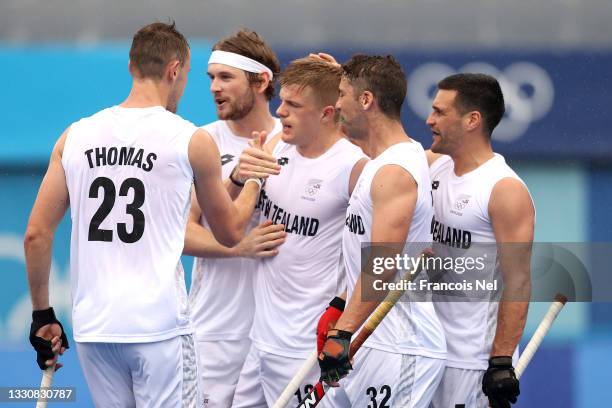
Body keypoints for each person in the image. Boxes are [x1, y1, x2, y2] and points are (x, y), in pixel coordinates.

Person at [24, 22, 263, 408]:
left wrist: (42, 316)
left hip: (94, 329)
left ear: (133, 67)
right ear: (174, 71)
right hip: (159, 328)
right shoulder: (190, 139)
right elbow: (231, 231)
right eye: (186, 76)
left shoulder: (75, 135)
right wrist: (252, 179)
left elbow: (36, 234)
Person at [231, 56, 368, 408]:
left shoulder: (355, 167)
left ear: (326, 113)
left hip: (306, 351)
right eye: (281, 101)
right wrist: (239, 177)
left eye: (293, 105)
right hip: (259, 342)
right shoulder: (276, 144)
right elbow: (226, 220)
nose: (279, 112)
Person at [317, 54, 447, 408]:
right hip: (368, 338)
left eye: (342, 94)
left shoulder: (395, 171)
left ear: (366, 100)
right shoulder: (378, 162)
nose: (335, 104)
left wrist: (342, 331)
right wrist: (341, 309)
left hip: (401, 347)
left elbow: (381, 265)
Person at [183, 29, 285, 408]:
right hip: (217, 330)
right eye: (211, 78)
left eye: (226, 78)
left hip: (282, 334)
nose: (214, 88)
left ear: (261, 81)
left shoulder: (295, 138)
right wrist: (239, 248)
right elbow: (182, 234)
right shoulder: (202, 141)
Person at [425, 73, 535, 408]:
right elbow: (373, 142)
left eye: (440, 112)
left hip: (471, 362)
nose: (430, 120)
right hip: (426, 350)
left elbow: (518, 281)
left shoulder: (504, 189)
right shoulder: (432, 165)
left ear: (473, 120)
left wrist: (500, 361)